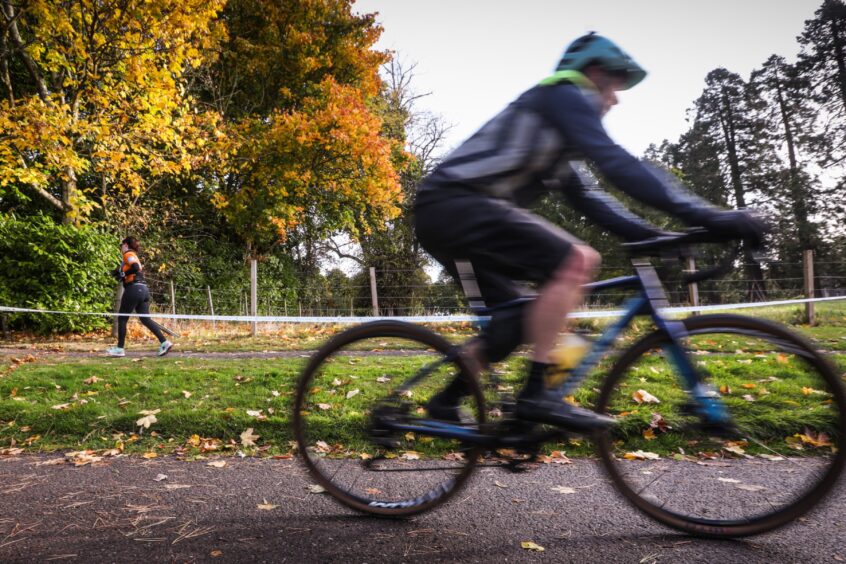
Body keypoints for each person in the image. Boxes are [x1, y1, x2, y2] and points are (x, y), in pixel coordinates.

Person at [413, 32, 767, 432]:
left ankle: (445, 402)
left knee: (512, 325)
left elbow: (592, 201)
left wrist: (655, 235)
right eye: (615, 86)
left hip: (447, 214)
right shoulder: (562, 94)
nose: (615, 99)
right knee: (577, 259)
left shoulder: (554, 134)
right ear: (594, 72)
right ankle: (538, 396)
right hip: (456, 203)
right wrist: (710, 216)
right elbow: (616, 162)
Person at [107, 237, 173, 357]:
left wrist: (123, 273)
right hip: (143, 290)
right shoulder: (133, 255)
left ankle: (119, 349)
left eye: (121, 245)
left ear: (126, 245)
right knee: (145, 319)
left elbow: (135, 268)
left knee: (122, 318)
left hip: (134, 289)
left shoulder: (128, 254)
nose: (121, 248)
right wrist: (121, 275)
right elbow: (133, 271)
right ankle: (164, 342)